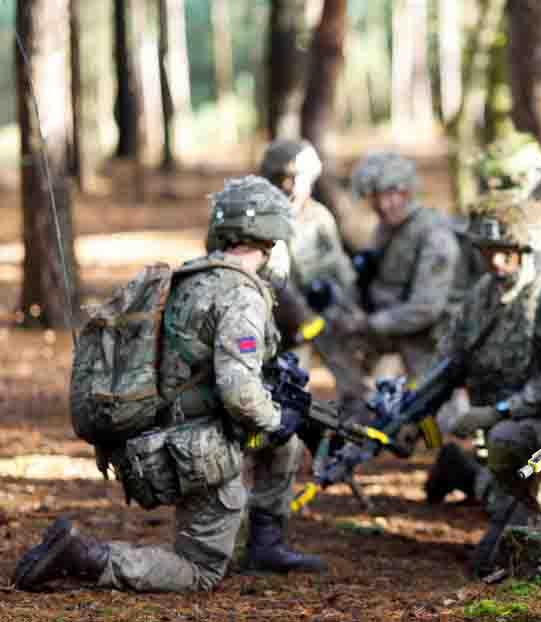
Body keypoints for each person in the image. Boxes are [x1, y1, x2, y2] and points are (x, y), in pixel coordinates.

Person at [13, 176, 323, 593]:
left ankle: (265, 546)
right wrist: (275, 417)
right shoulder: (242, 297)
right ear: (269, 234)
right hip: (192, 450)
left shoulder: (193, 277)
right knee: (201, 572)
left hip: (157, 434)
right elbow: (240, 394)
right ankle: (86, 557)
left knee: (284, 444)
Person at [428, 191, 541, 574]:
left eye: (505, 251)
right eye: (487, 250)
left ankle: (463, 470)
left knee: (506, 505)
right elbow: (453, 351)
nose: (495, 261)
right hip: (487, 418)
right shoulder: (482, 293)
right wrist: (424, 408)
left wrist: (498, 412)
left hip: (535, 421)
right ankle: (464, 468)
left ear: (524, 249)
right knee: (499, 489)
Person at [332, 152, 460, 382]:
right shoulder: (385, 230)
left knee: (431, 409)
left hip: (431, 341)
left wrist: (369, 324)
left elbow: (426, 308)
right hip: (393, 332)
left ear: (408, 192)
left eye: (391, 194)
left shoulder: (434, 235)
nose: (383, 205)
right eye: (374, 197)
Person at [257, 138, 365, 407]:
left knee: (351, 372)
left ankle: (357, 418)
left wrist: (354, 312)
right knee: (282, 386)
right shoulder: (256, 220)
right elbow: (272, 278)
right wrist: (304, 319)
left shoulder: (319, 217)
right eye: (284, 179)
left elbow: (340, 268)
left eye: (299, 179)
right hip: (273, 322)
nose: (291, 188)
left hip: (317, 317)